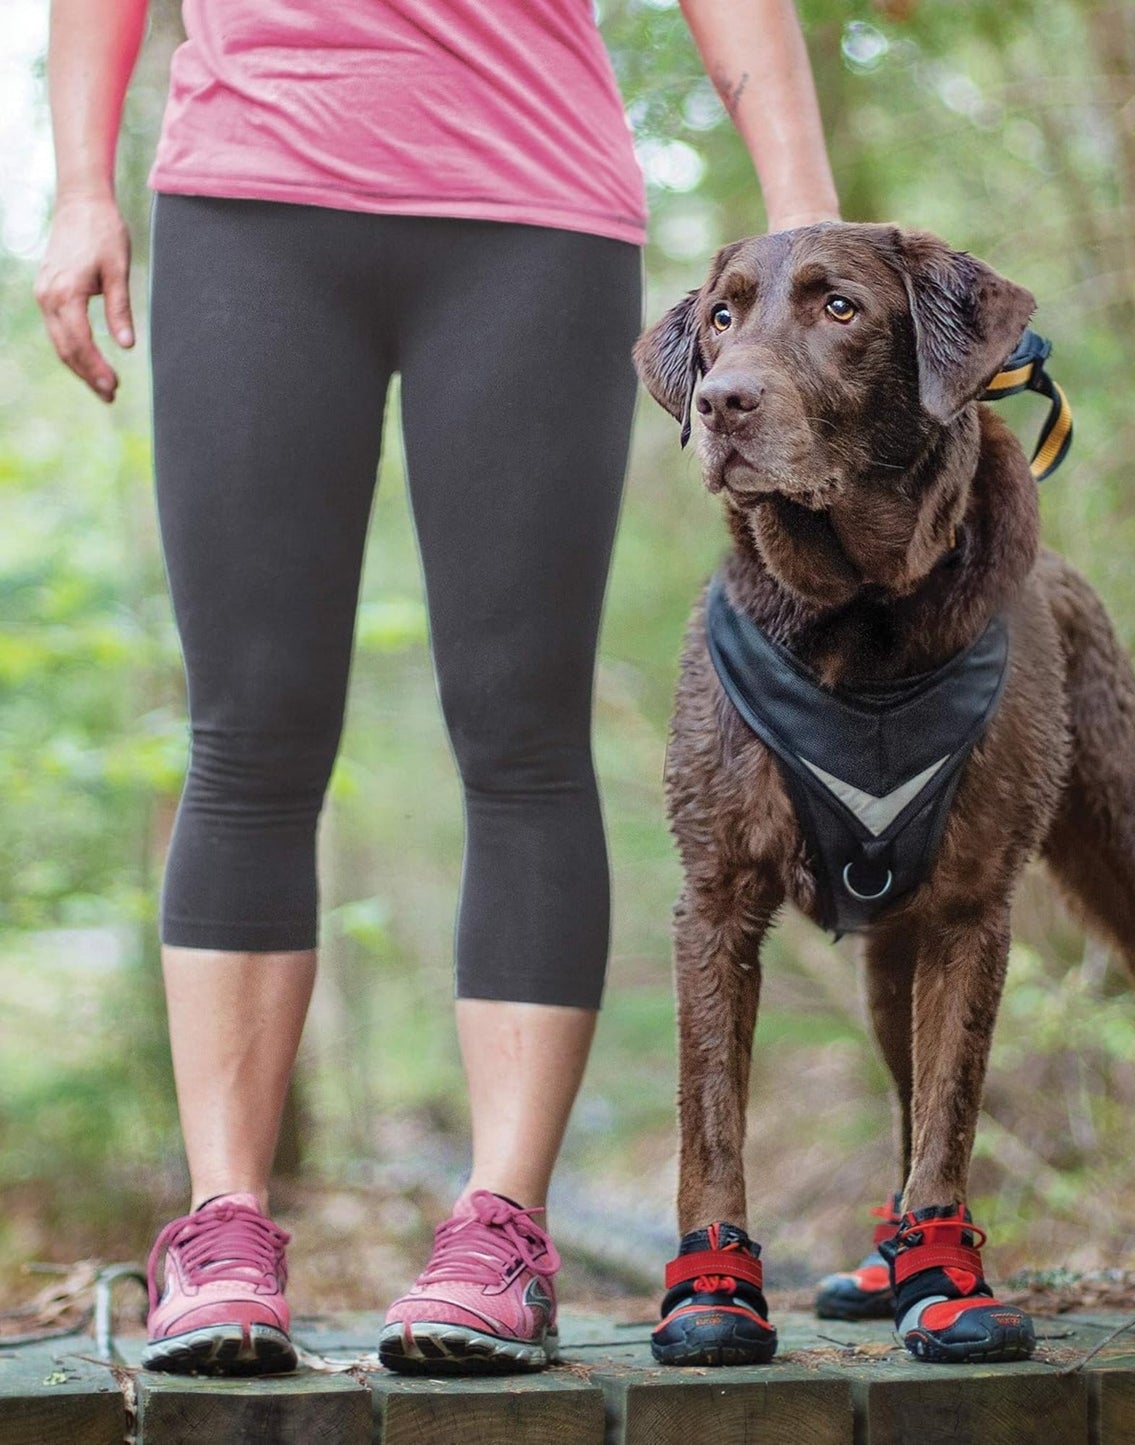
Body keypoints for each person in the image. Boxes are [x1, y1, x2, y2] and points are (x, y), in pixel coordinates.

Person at [36, 0, 839, 1376]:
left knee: (524, 733)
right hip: (248, 203)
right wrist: (76, 184)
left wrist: (808, 230)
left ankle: (501, 1230)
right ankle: (222, 1232)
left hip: (534, 213)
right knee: (248, 735)